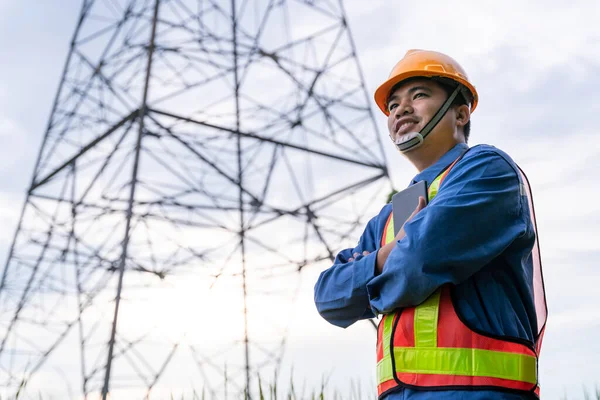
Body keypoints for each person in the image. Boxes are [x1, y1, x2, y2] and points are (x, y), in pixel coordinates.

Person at [314, 50, 547, 399]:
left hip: (481, 393)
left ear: (461, 112)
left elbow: (418, 260)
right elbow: (328, 297)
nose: (401, 109)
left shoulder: (487, 170)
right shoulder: (389, 217)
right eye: (393, 105)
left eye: (419, 95)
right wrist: (388, 255)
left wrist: (367, 283)